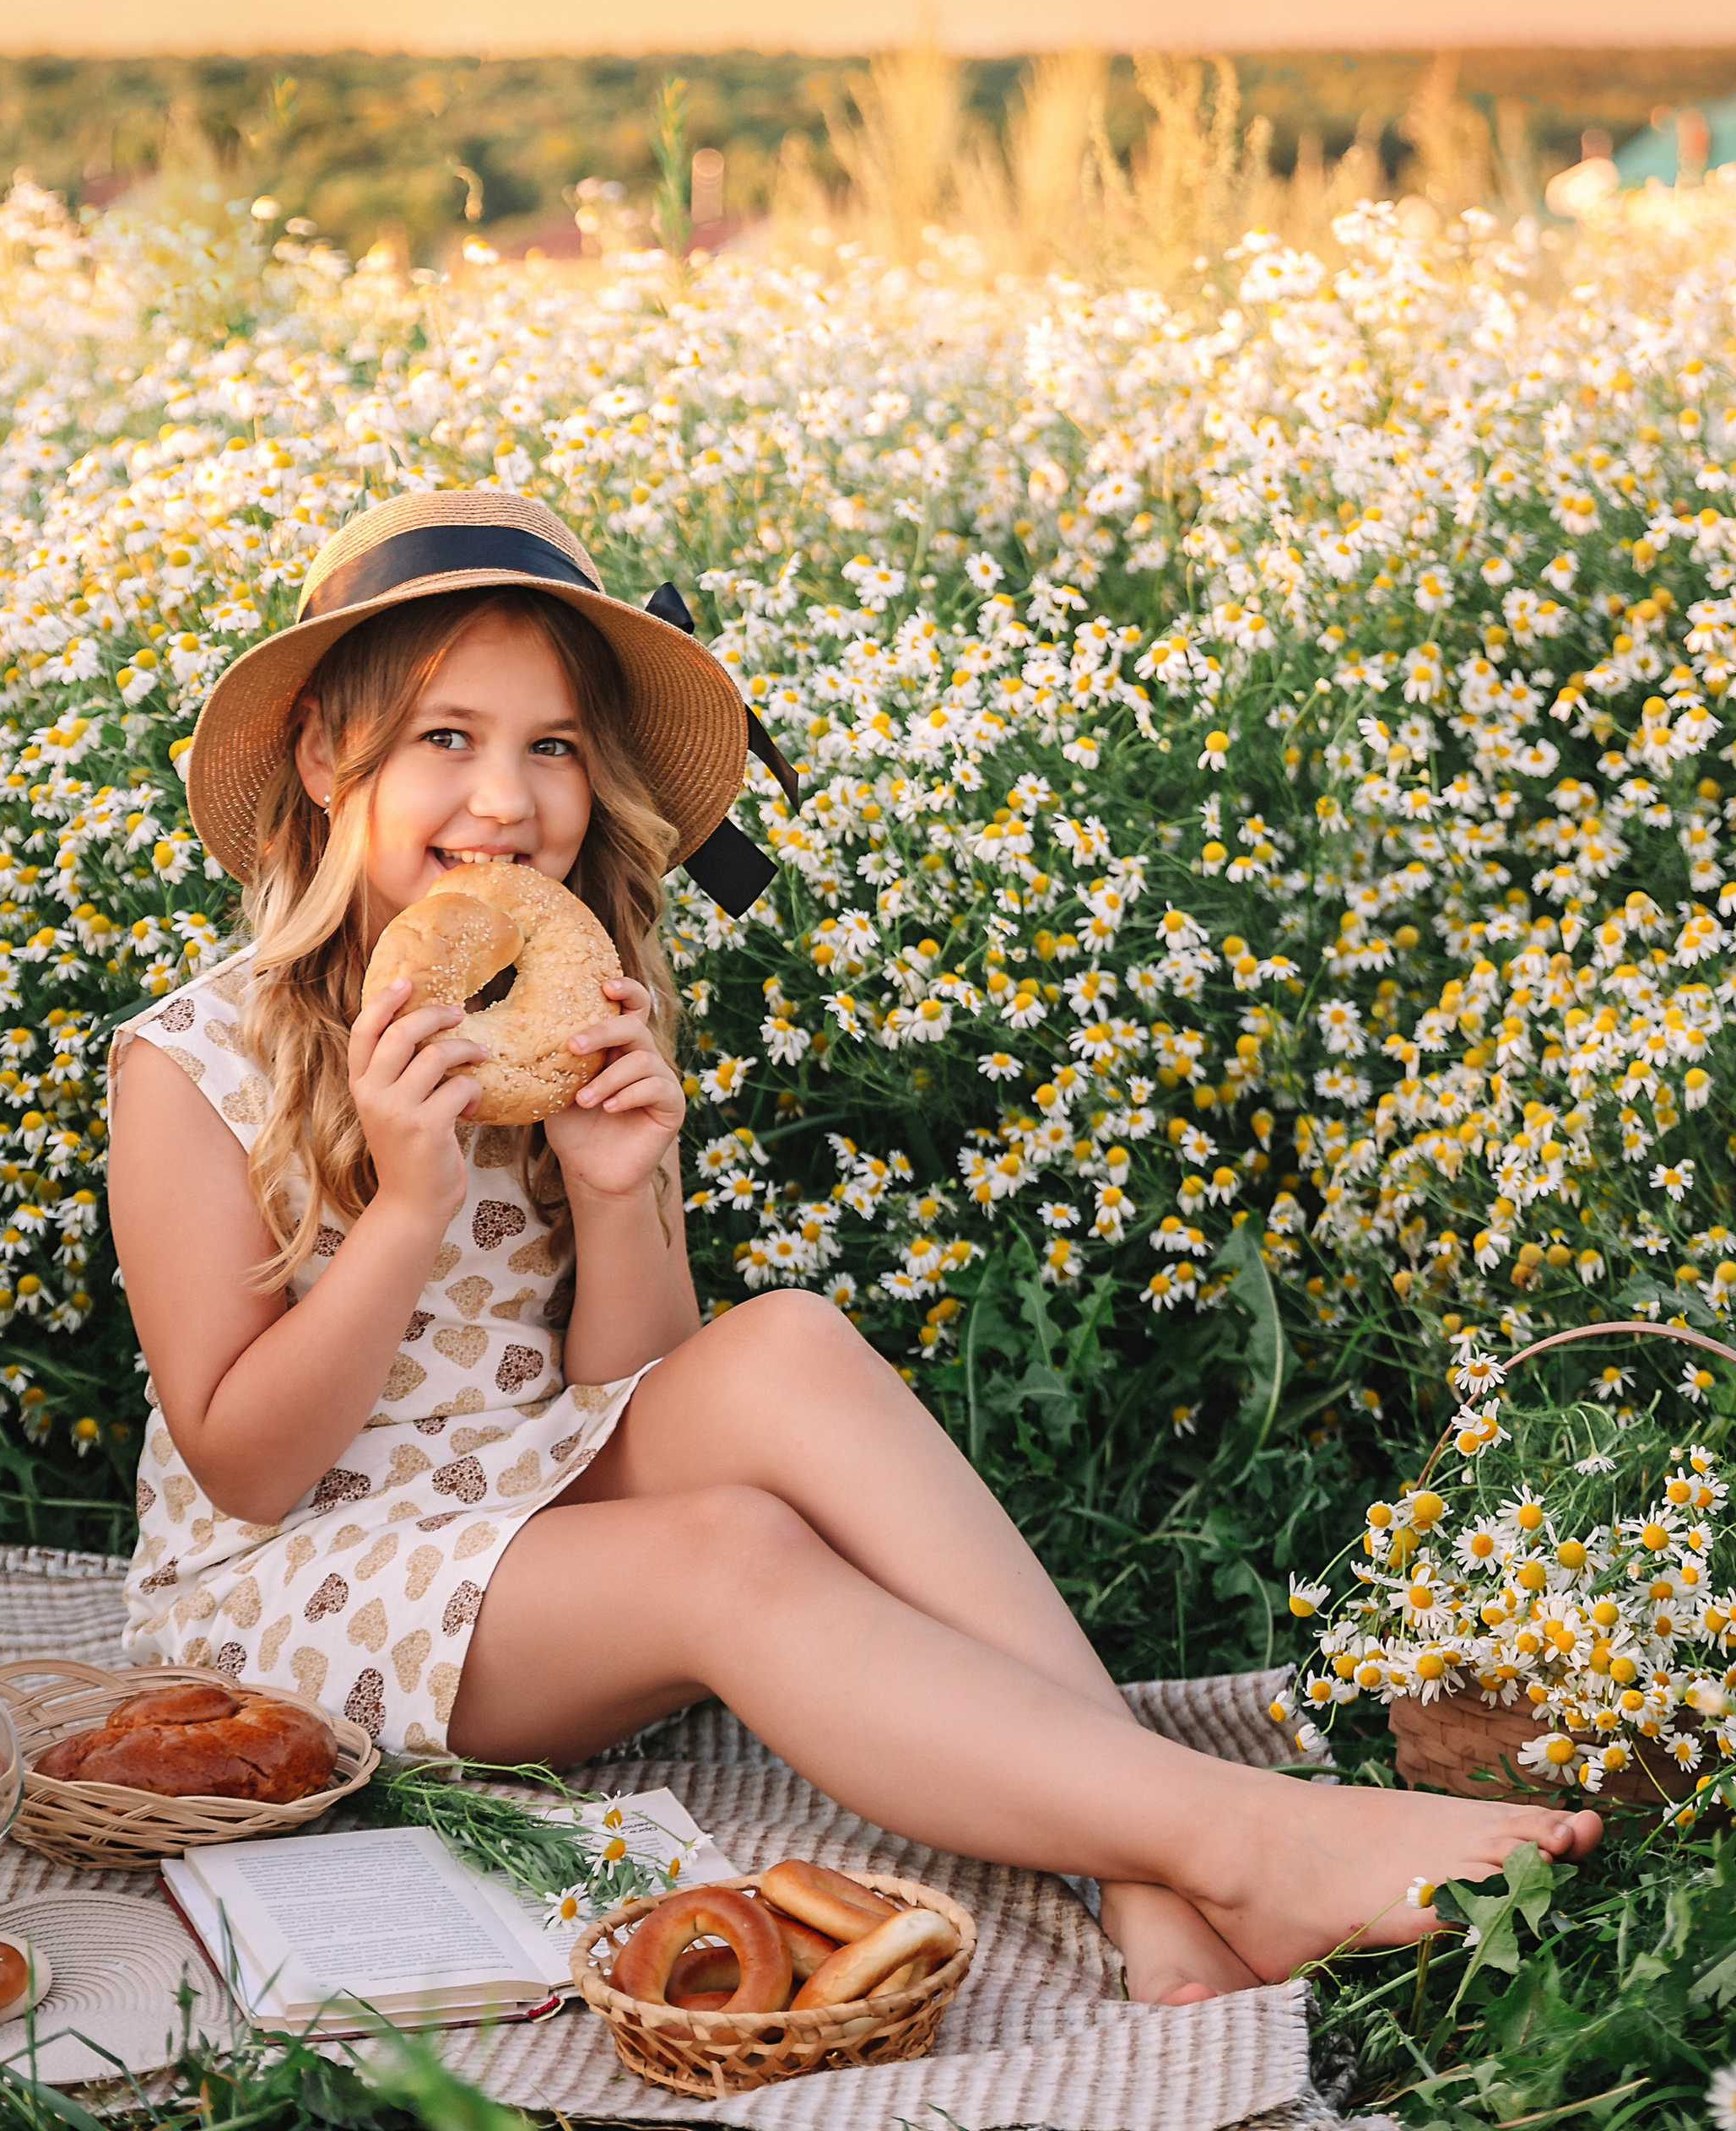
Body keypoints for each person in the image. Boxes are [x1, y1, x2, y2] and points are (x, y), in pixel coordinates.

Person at [108, 490, 1601, 2007]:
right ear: (319, 757)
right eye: (446, 737)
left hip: (525, 1499)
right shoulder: (194, 1064)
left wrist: (620, 1189)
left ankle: (1147, 1875)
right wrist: (413, 1206)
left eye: (551, 745)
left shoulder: (558, 1018)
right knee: (734, 1554)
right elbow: (243, 1466)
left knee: (788, 1343)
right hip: (300, 1589)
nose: (504, 799)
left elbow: (632, 1391)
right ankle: (1249, 1842)